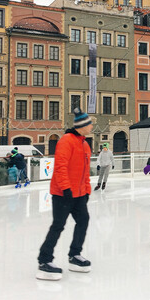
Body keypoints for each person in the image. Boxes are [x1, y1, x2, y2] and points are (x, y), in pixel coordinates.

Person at [37, 108, 94, 280]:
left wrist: (86, 190)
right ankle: (44, 260)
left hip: (79, 194)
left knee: (83, 220)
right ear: (81, 126)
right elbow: (60, 167)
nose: (91, 126)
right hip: (63, 194)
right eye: (89, 124)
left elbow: (85, 172)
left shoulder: (84, 144)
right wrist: (66, 189)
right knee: (58, 225)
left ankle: (74, 254)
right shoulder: (66, 141)